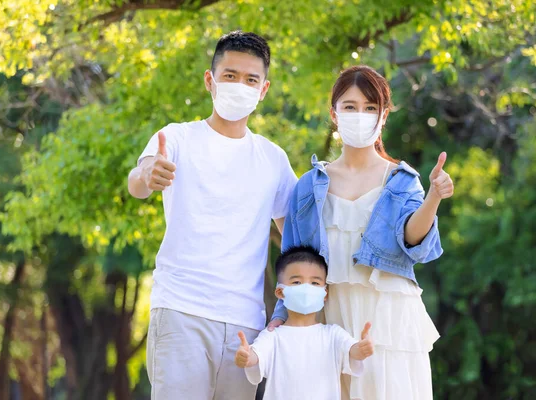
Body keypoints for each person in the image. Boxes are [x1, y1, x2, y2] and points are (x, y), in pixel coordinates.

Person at [127, 31, 298, 400]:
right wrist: (147, 173)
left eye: (251, 79)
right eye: (230, 75)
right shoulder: (176, 138)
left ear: (264, 89)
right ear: (210, 80)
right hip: (181, 312)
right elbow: (137, 182)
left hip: (246, 325)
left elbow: (296, 238)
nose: (240, 86)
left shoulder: (273, 159)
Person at [269, 65, 454, 400]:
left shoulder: (401, 180)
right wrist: (282, 317)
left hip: (389, 317)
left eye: (370, 108)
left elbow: (413, 241)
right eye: (350, 107)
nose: (360, 115)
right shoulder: (309, 186)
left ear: (383, 117)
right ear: (334, 114)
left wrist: (433, 198)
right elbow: (293, 257)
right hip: (329, 317)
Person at [235, 246, 374, 400]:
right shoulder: (272, 336)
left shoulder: (333, 334)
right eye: (297, 282)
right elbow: (256, 356)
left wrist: (362, 349)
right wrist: (246, 357)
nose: (306, 288)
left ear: (325, 294)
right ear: (281, 292)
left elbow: (352, 352)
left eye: (315, 283)